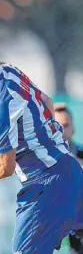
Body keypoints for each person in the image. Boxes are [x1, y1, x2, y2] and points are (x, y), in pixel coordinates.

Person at [0, 23, 83, 254]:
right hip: (69, 172)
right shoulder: (9, 71)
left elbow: (4, 167)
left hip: (45, 185)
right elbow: (48, 103)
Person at [54, 103, 83, 253]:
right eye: (57, 127)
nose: (62, 132)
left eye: (65, 125)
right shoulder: (41, 160)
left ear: (73, 128)